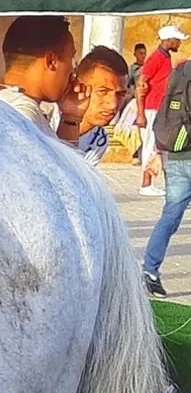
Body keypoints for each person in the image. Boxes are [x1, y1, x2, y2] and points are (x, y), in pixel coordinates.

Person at [140, 36, 191, 297]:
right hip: (187, 155)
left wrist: (159, 151)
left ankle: (149, 269)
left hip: (174, 153)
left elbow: (166, 111)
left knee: (170, 215)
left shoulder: (180, 71)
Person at [0, 16, 78, 137]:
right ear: (51, 61)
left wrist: (71, 118)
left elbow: (60, 156)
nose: (73, 68)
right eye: (71, 58)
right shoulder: (24, 115)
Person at [56, 46, 131, 165]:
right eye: (103, 91)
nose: (113, 104)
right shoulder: (45, 119)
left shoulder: (99, 140)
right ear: (78, 85)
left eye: (120, 94)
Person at [139, 25, 186, 195]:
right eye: (177, 40)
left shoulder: (165, 57)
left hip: (160, 108)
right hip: (152, 107)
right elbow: (141, 83)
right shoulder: (156, 58)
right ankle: (145, 184)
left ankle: (150, 181)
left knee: (157, 144)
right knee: (151, 144)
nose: (179, 43)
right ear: (169, 40)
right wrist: (140, 112)